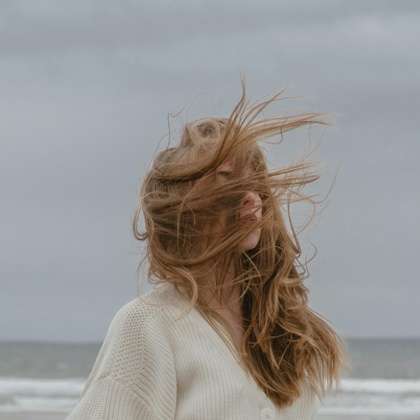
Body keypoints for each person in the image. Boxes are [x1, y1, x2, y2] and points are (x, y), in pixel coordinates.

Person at [66, 79, 348, 419]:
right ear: (184, 206)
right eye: (226, 179)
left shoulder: (285, 338)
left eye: (255, 183)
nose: (251, 197)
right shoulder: (149, 324)